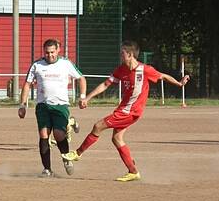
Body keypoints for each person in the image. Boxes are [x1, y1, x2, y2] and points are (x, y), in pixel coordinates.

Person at [62, 40, 190, 182]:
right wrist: (87, 98)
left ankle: (78, 153)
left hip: (131, 111)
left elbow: (163, 76)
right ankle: (133, 171)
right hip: (124, 109)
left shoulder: (145, 69)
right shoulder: (121, 69)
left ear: (129, 54)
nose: (120, 55)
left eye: (122, 53)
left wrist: (179, 83)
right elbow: (106, 84)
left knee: (98, 126)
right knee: (117, 139)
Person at [18, 39, 87, 177]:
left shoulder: (66, 64)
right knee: (44, 135)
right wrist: (23, 105)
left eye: (52, 52)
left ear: (58, 50)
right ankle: (47, 169)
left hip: (60, 106)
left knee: (59, 135)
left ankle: (66, 159)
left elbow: (81, 78)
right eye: (47, 52)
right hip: (43, 106)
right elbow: (27, 84)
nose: (50, 55)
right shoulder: (37, 65)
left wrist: (83, 96)